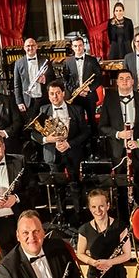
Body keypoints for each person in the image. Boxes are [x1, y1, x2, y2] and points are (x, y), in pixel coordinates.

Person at [32, 80, 90, 224]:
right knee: (58, 187)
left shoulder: (77, 109)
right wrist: (48, 139)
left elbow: (85, 132)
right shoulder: (43, 110)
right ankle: (61, 216)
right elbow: (34, 134)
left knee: (75, 184)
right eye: (51, 94)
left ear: (63, 93)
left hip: (72, 152)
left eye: (57, 93)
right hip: (53, 153)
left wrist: (69, 143)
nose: (55, 96)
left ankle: (78, 215)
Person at [99, 70, 139, 211]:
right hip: (118, 150)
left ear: (133, 81)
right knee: (121, 188)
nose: (125, 81)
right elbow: (103, 127)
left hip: (138, 149)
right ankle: (123, 219)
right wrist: (118, 134)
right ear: (117, 82)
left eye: (128, 78)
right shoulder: (109, 100)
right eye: (121, 79)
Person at [62, 34, 101, 137]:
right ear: (72, 47)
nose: (78, 48)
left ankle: (94, 143)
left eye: (80, 45)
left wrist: (89, 88)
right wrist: (76, 90)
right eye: (75, 46)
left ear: (83, 46)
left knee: (92, 121)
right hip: (75, 97)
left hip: (89, 96)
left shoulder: (92, 60)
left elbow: (99, 78)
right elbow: (66, 81)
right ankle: (81, 144)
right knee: (77, 122)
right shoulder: (68, 61)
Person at [12, 37, 50, 117]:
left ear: (36, 46)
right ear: (24, 48)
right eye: (28, 46)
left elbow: (52, 78)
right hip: (28, 101)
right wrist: (19, 102)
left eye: (33, 45)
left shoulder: (45, 60)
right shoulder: (19, 63)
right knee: (32, 125)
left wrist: (45, 79)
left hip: (44, 99)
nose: (30, 48)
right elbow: (17, 85)